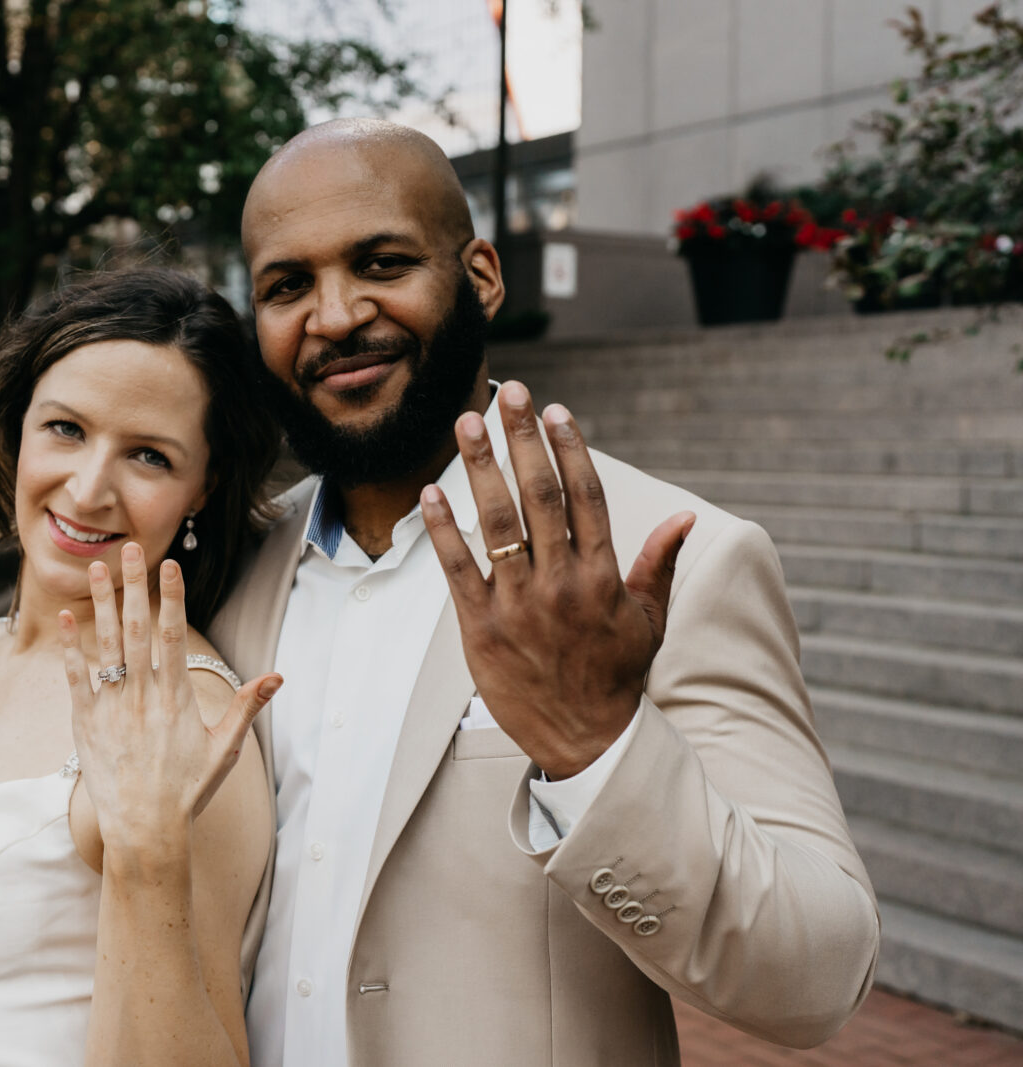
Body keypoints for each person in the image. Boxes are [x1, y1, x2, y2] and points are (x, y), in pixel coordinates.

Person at [207, 119, 881, 1065]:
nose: (333, 315)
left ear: (480, 275)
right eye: (287, 285)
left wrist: (595, 747)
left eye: (382, 261)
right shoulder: (231, 571)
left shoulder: (680, 556)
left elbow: (817, 976)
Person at [0, 268, 284, 1066]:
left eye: (149, 455)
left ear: (203, 485)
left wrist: (147, 855)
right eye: (66, 429)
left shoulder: (181, 716)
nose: (88, 489)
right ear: (19, 427)